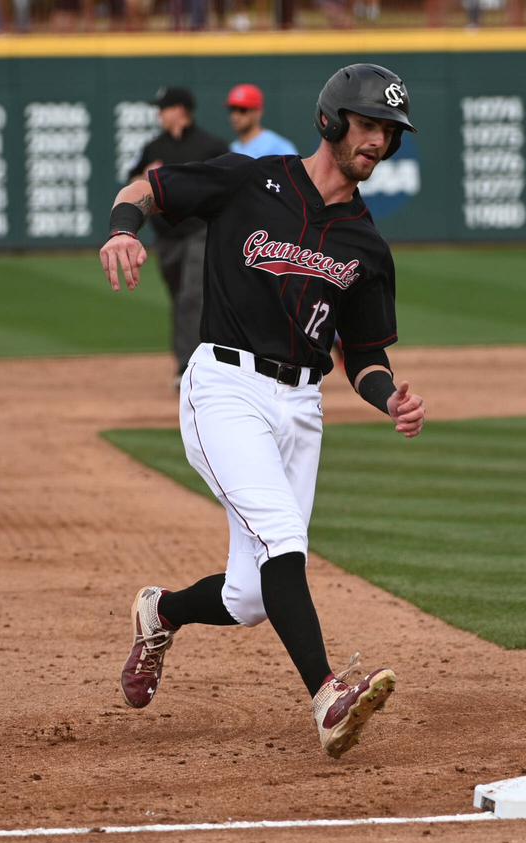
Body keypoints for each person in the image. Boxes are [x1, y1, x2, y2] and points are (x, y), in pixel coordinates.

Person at [100, 63, 425, 759]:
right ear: (333, 122)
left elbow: (364, 356)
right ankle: (328, 698)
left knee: (251, 597)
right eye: (368, 125)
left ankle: (160, 611)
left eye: (389, 133)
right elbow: (147, 189)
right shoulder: (253, 178)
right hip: (224, 389)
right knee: (284, 537)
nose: (377, 142)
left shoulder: (367, 244)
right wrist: (124, 229)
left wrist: (387, 395)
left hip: (301, 406)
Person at [125, 86, 229, 390]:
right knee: (179, 298)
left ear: (180, 110)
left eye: (164, 108)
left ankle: (188, 368)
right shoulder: (154, 147)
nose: (159, 113)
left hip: (201, 232)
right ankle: (197, 360)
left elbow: (231, 183)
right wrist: (145, 174)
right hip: (167, 237)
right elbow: (131, 183)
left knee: (191, 296)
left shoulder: (211, 145)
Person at [227, 84, 298, 159]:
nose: (235, 116)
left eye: (243, 110)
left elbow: (296, 170)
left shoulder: (277, 146)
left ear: (258, 112)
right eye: (232, 109)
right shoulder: (232, 148)